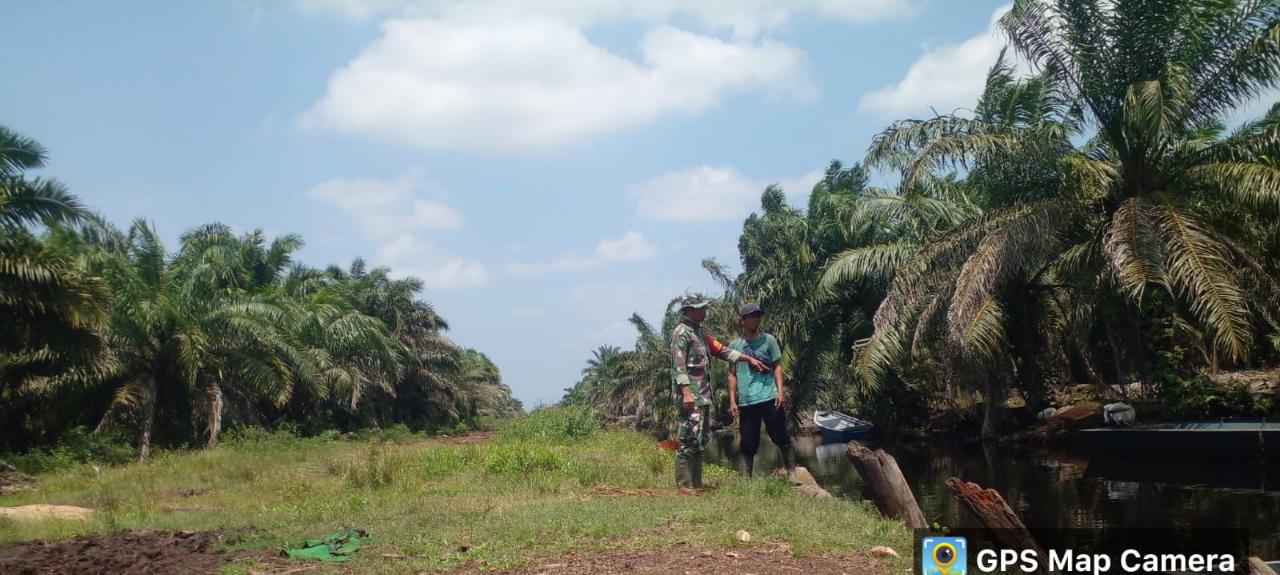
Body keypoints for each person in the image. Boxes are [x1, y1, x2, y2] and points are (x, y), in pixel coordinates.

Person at [670, 293, 768, 491]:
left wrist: (748, 359)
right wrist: (687, 393)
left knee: (700, 439)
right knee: (689, 438)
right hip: (691, 396)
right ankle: (684, 485)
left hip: (703, 395)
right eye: (701, 308)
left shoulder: (699, 333)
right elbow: (678, 366)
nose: (705, 311)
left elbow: (722, 350)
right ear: (690, 310)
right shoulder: (682, 332)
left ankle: (695, 484)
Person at [727, 303, 797, 482]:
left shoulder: (769, 340)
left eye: (758, 316)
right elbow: (732, 374)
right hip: (747, 401)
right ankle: (745, 480)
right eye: (751, 316)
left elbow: (777, 367)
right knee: (748, 442)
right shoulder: (735, 346)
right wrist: (733, 401)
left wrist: (780, 392)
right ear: (742, 321)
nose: (755, 319)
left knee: (780, 435)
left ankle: (792, 473)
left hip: (769, 397)